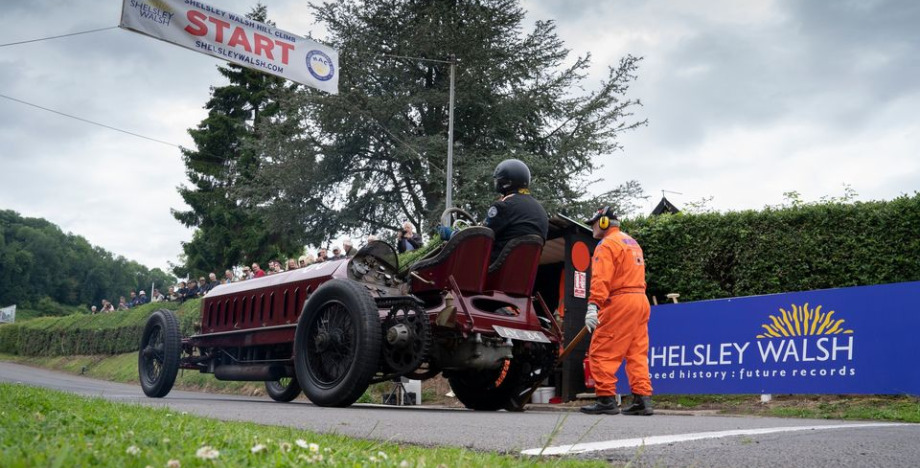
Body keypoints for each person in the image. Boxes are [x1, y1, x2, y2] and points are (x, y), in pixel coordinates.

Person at [580, 206, 653, 416]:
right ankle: (643, 399)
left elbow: (601, 278)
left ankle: (605, 400)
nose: (592, 227)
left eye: (594, 222)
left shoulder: (607, 244)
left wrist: (593, 305)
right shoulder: (631, 242)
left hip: (620, 300)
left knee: (601, 351)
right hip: (640, 300)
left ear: (603, 222)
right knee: (636, 352)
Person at [483, 159, 549, 262]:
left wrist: (453, 234)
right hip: (523, 274)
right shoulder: (541, 211)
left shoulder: (503, 206)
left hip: (494, 269)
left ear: (504, 183)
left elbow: (481, 237)